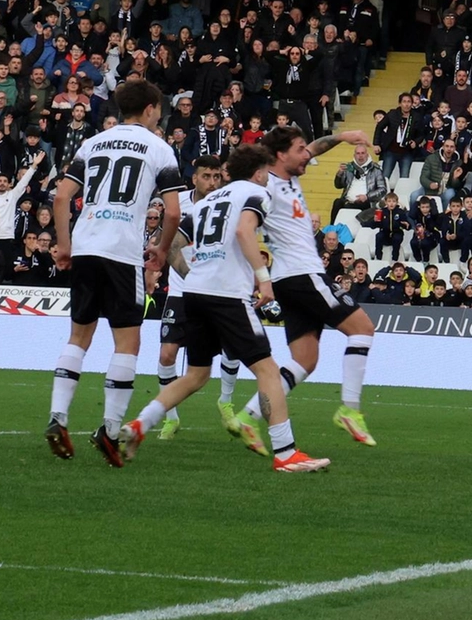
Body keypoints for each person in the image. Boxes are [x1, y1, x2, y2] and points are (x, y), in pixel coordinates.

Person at [118, 144, 330, 473]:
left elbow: (176, 242)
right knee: (269, 371)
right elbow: (245, 230)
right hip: (227, 293)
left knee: (196, 375)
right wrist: (263, 279)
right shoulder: (256, 194)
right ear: (260, 172)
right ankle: (287, 454)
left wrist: (176, 263)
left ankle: (139, 425)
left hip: (195, 291)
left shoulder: (207, 201)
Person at [45, 80, 186, 466]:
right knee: (127, 344)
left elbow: (61, 197)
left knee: (79, 336)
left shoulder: (93, 142)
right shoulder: (159, 148)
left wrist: (64, 245)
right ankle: (109, 431)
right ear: (152, 109)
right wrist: (159, 248)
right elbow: (172, 212)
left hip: (87, 245)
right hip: (122, 252)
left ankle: (58, 418)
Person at [234, 126, 379, 447]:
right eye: (300, 150)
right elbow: (244, 227)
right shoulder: (264, 188)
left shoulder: (291, 174)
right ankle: (350, 410)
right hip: (302, 274)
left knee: (305, 360)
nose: (306, 155)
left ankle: (247, 415)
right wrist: (261, 277)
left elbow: (317, 147)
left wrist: (343, 138)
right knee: (363, 329)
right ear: (281, 155)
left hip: (291, 281)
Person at [154, 155, 245, 440]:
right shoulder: (177, 203)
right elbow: (166, 242)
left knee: (233, 347)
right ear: (194, 178)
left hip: (218, 288)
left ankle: (226, 401)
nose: (212, 182)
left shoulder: (229, 202)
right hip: (182, 290)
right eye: (206, 176)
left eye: (216, 176)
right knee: (167, 354)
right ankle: (171, 418)